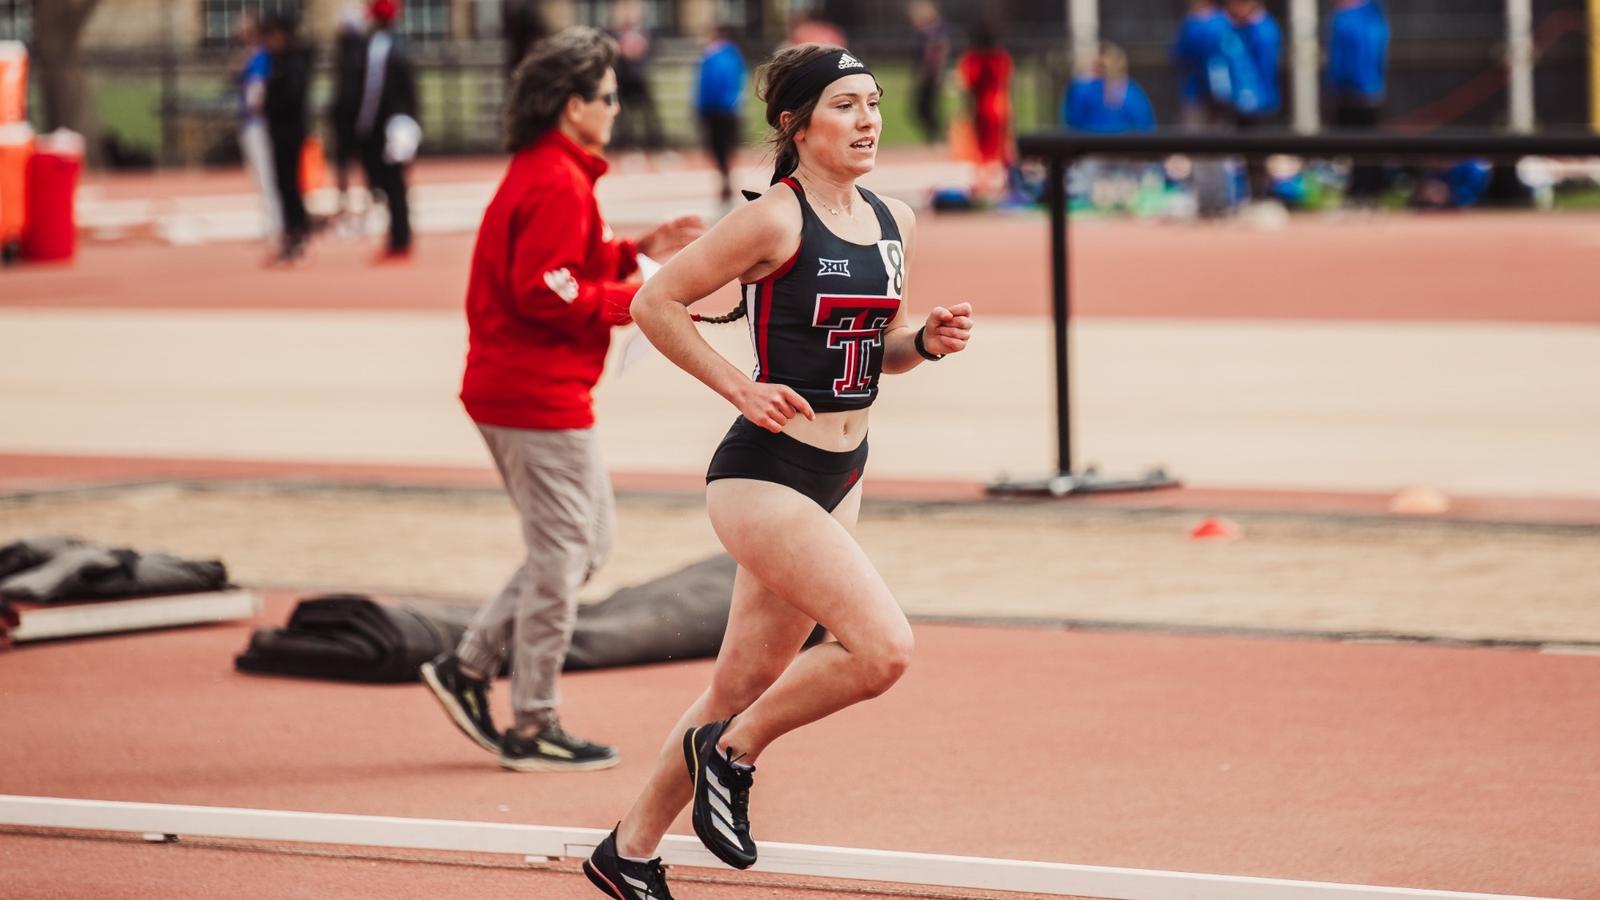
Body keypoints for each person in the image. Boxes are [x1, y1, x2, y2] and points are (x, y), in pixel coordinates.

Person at [582, 42, 975, 899]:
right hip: (764, 473)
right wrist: (739, 385)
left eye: (873, 102)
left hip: (846, 468)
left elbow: (875, 351)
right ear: (794, 125)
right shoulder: (774, 218)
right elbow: (655, 303)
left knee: (739, 681)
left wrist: (924, 343)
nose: (868, 119)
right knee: (882, 650)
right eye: (845, 105)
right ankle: (733, 749)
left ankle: (629, 851)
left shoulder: (894, 220)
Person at [421, 27, 702, 774]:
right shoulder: (553, 178)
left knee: (586, 544)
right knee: (564, 550)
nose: (616, 107)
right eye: (607, 96)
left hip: (533, 386)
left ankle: (471, 666)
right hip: (530, 390)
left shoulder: (560, 174)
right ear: (572, 104)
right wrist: (637, 294)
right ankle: (532, 719)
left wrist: (642, 247)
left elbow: (566, 261)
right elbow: (545, 289)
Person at [355, 0, 418, 262]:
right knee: (395, 182)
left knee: (393, 182)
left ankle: (400, 237)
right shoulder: (398, 44)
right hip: (400, 121)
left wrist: (364, 123)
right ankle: (399, 235)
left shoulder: (380, 47)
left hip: (390, 124)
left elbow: (374, 90)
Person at [260, 10, 311, 265]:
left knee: (291, 186)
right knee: (283, 185)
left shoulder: (292, 63)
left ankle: (298, 233)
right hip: (280, 132)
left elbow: (291, 99)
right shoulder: (278, 62)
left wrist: (266, 103)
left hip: (289, 133)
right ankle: (292, 233)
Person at [1327, 0, 1389, 200]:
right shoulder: (1374, 15)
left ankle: (1364, 190)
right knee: (1363, 144)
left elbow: (1346, 60)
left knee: (1357, 144)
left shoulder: (1348, 19)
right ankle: (1366, 189)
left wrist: (1340, 85)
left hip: (1354, 90)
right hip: (1369, 88)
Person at [234, 10, 281, 247]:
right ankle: (271, 221)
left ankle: (275, 223)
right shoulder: (250, 55)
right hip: (250, 121)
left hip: (258, 122)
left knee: (266, 174)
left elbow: (257, 88)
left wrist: (254, 107)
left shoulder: (260, 56)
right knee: (259, 175)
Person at [957, 19, 1013, 201]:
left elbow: (968, 82)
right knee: (1001, 146)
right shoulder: (1002, 56)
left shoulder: (973, 58)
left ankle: (983, 186)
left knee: (982, 148)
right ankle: (1003, 184)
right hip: (1001, 104)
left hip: (981, 105)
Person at [694, 25, 746, 208]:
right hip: (729, 108)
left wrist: (700, 107)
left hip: (714, 108)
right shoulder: (735, 56)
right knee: (726, 148)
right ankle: (727, 178)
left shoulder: (711, 56)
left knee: (717, 147)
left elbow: (705, 84)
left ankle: (725, 179)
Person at [328, 6, 369, 230]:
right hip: (347, 116)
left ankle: (361, 204)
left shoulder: (357, 51)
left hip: (355, 116)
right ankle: (347, 204)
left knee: (358, 163)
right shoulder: (345, 51)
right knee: (346, 164)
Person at [608, 0, 665, 155]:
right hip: (623, 80)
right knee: (621, 117)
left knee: (649, 116)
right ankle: (625, 144)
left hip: (639, 79)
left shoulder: (644, 32)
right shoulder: (615, 33)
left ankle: (655, 145)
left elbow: (649, 51)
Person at [907, 0, 950, 145]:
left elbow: (938, 52)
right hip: (926, 74)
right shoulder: (924, 31)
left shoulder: (933, 32)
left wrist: (934, 73)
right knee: (923, 108)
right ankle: (936, 135)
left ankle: (939, 135)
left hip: (930, 75)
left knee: (926, 107)